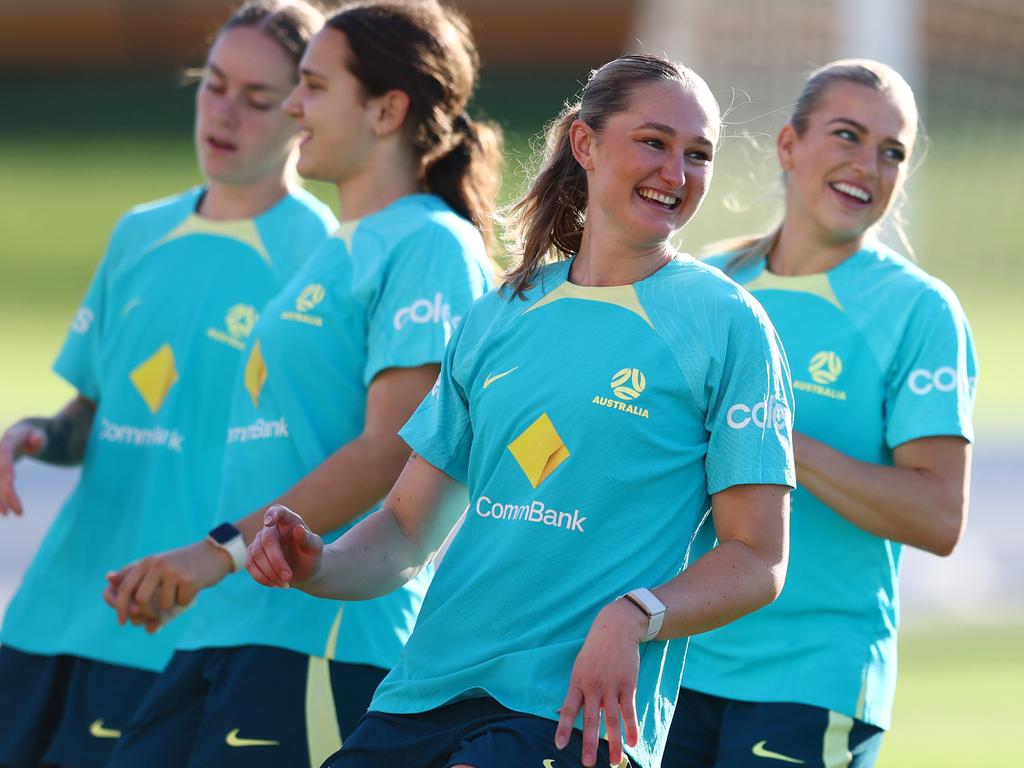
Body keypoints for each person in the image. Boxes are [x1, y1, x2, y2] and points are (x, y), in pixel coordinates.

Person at [247, 53, 796, 768]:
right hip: (422, 695)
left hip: (574, 716)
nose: (676, 173)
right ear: (586, 143)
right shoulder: (500, 314)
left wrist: (638, 614)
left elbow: (757, 557)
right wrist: (319, 562)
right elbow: (409, 529)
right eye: (654, 142)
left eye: (698, 155)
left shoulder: (728, 325)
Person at [102, 3, 502, 767]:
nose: (292, 106)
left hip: (329, 643)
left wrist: (216, 550)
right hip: (235, 624)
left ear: (387, 110)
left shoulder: (430, 245)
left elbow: (394, 450)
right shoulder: (334, 250)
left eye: (313, 88)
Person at [0, 2, 335, 767]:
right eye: (213, 85)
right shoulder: (139, 233)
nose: (225, 113)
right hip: (58, 605)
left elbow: (329, 452)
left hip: (180, 621)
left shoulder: (320, 255)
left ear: (303, 110)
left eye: (257, 98)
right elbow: (91, 410)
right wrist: (36, 436)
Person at [664, 60, 977, 768]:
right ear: (788, 146)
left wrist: (768, 432)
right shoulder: (706, 287)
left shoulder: (919, 311)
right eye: (847, 135)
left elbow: (937, 516)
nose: (869, 165)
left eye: (891, 151)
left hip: (814, 677)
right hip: (674, 659)